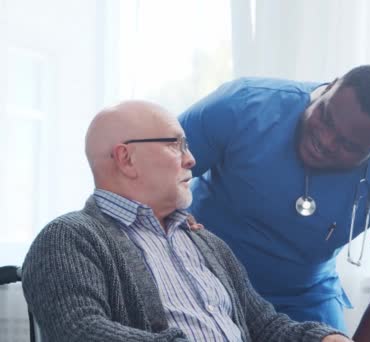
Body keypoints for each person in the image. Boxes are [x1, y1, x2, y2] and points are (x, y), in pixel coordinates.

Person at [21, 100, 350, 342]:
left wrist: (323, 339)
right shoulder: (68, 237)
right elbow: (81, 332)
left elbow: (262, 324)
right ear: (126, 159)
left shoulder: (206, 242)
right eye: (175, 144)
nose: (191, 159)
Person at [179, 65, 370, 341]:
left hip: (303, 298)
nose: (325, 141)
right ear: (329, 87)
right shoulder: (243, 105)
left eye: (347, 145)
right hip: (201, 277)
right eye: (326, 118)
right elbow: (146, 174)